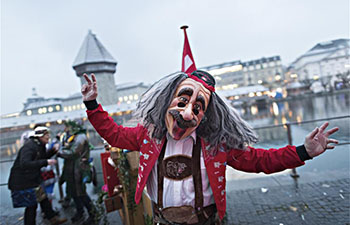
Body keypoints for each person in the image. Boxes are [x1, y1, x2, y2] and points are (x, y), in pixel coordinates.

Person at [81, 71, 339, 225]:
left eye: (197, 107)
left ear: (205, 114)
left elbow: (260, 161)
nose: (187, 113)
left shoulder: (216, 145)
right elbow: (113, 134)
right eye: (182, 101)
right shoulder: (147, 136)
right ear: (167, 100)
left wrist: (303, 152)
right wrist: (93, 105)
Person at [8, 126, 67, 225]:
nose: (48, 137)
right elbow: (25, 163)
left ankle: (53, 219)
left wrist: (52, 151)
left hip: (32, 179)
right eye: (46, 135)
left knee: (43, 199)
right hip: (23, 181)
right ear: (40, 136)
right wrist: (46, 162)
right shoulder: (29, 146)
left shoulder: (39, 145)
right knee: (32, 205)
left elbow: (41, 157)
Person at [57, 120, 95, 224]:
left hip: (78, 170)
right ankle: (80, 212)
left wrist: (58, 151)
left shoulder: (80, 137)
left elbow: (74, 152)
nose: (66, 129)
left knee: (81, 193)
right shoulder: (74, 137)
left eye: (68, 127)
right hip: (72, 170)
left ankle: (93, 214)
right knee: (74, 192)